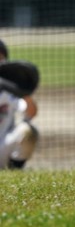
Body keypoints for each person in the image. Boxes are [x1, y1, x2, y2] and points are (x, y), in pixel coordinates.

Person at [0, 39, 39, 170]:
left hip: (2, 146)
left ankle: (14, 169)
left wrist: (24, 92)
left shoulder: (10, 91)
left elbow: (31, 113)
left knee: (28, 132)